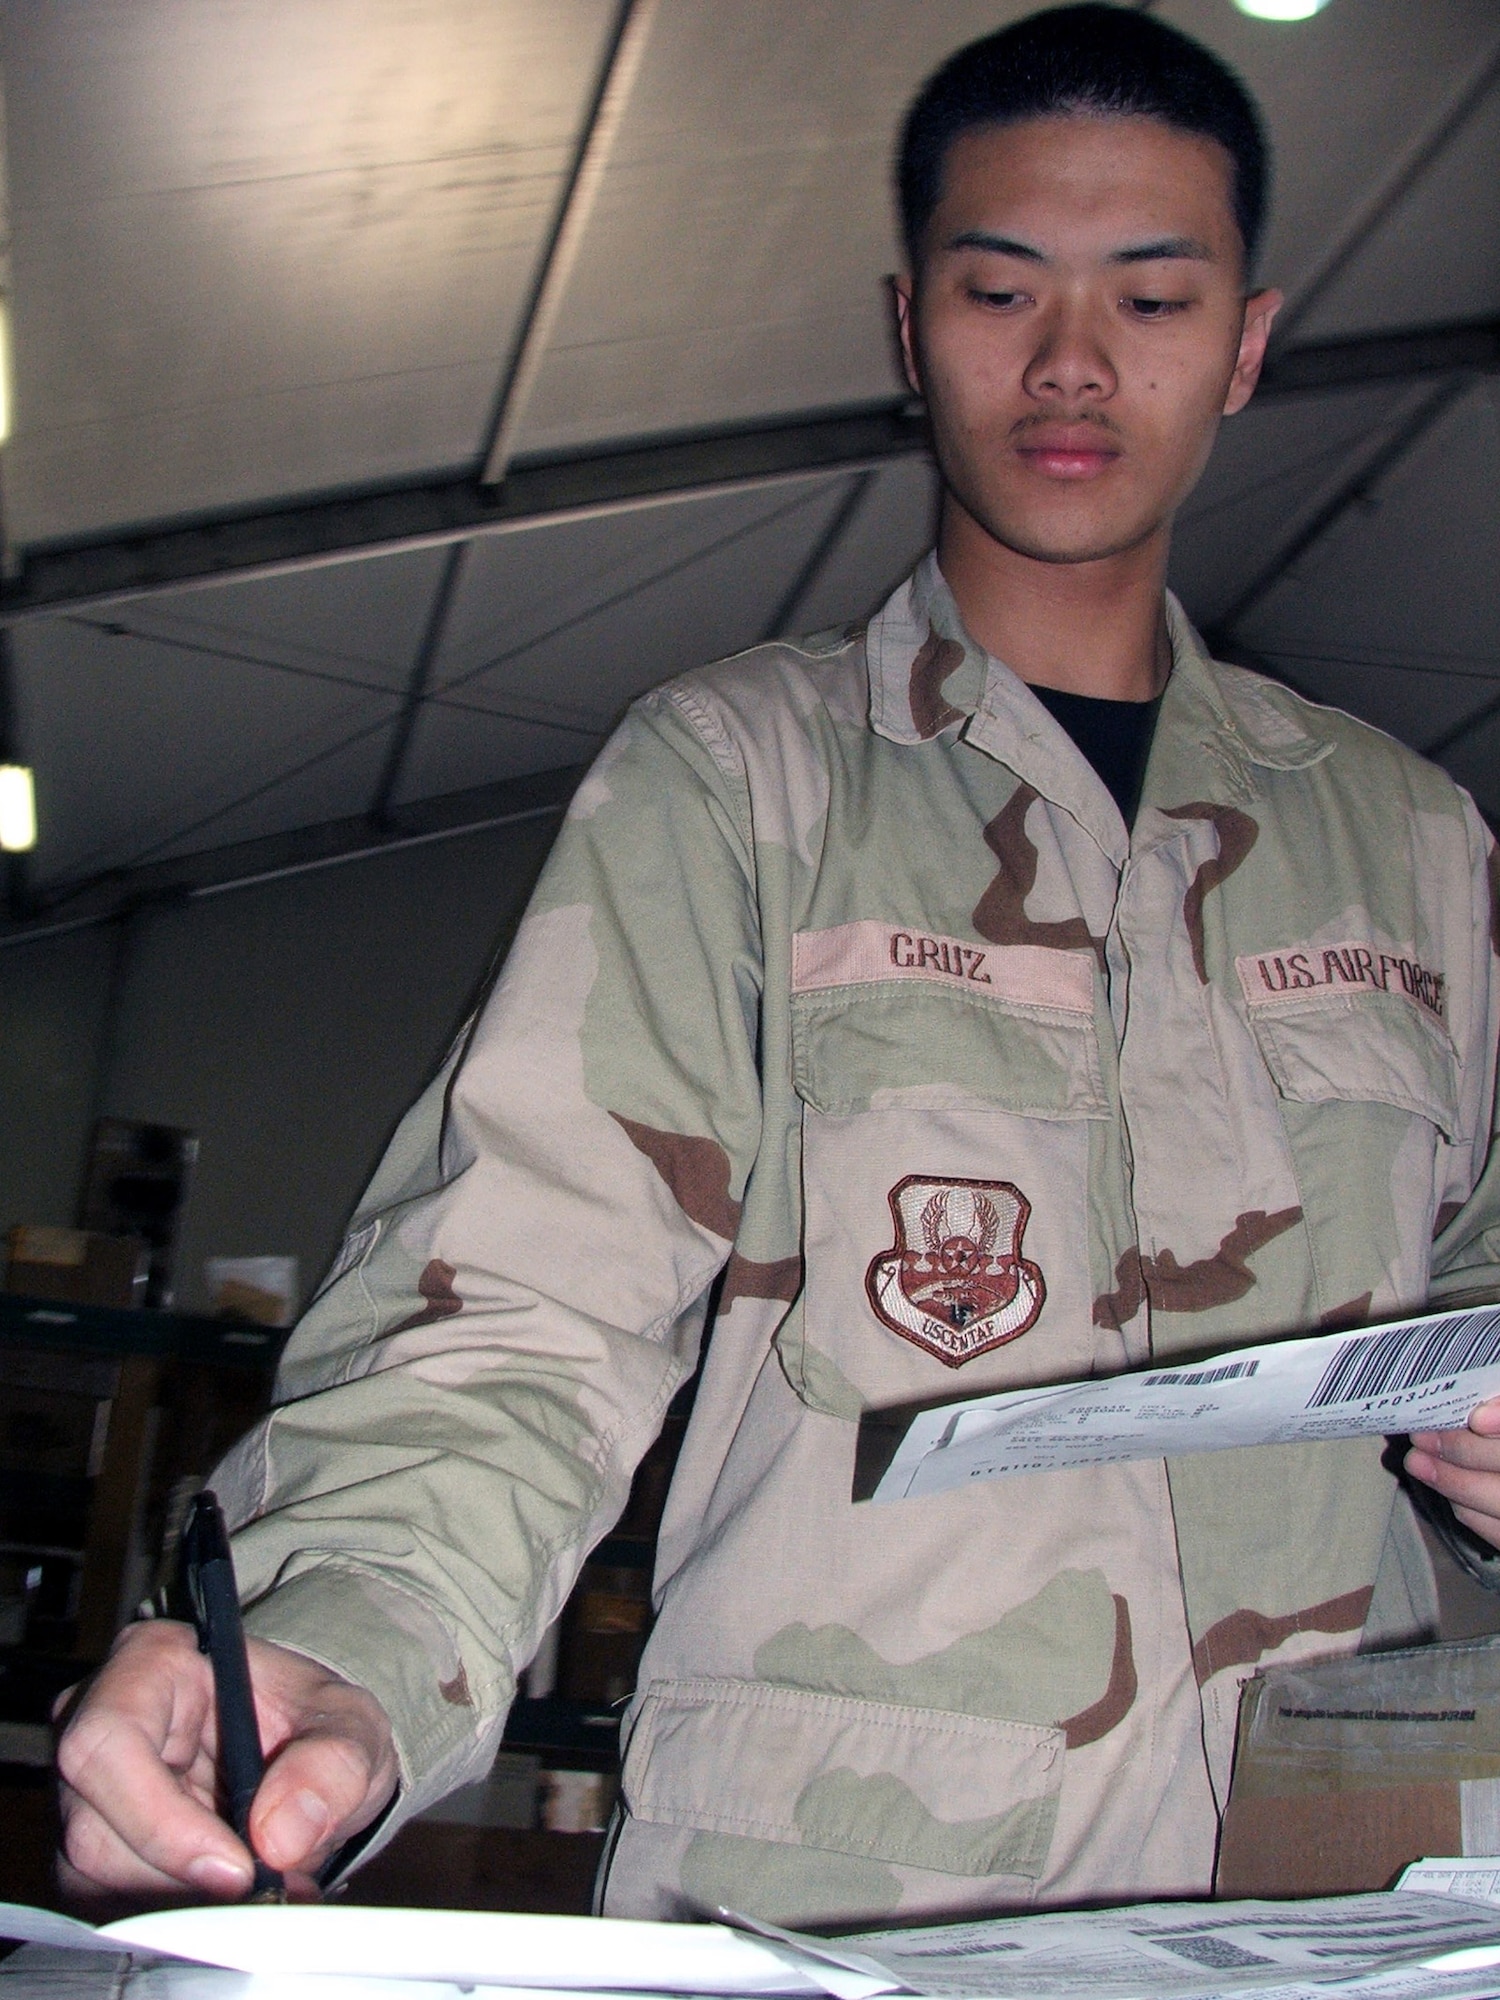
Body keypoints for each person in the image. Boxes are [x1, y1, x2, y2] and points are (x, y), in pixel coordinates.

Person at [56, 2, 1500, 1924]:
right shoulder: (740, 784)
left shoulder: (1412, 842)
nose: (1072, 363)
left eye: (1153, 302)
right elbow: (522, 1303)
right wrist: (349, 1639)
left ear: (1248, 343)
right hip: (859, 1907)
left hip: (1358, 1895)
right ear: (912, 327)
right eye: (1004, 292)